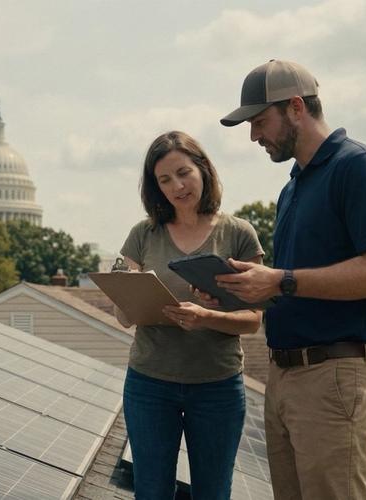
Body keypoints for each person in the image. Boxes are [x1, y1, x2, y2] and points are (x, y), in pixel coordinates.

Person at [217, 60, 366, 499]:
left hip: (335, 377)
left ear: (296, 107)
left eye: (260, 121)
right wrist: (242, 288)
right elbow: (296, 284)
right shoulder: (293, 186)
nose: (254, 136)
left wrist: (280, 281)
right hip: (285, 379)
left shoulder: (359, 167)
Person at [115, 130, 265, 500]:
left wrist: (206, 317)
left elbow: (253, 320)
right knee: (150, 492)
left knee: (213, 492)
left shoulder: (239, 234)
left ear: (203, 169)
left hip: (217, 386)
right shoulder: (143, 234)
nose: (177, 186)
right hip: (149, 383)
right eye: (164, 180)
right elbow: (123, 317)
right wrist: (128, 293)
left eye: (183, 173)